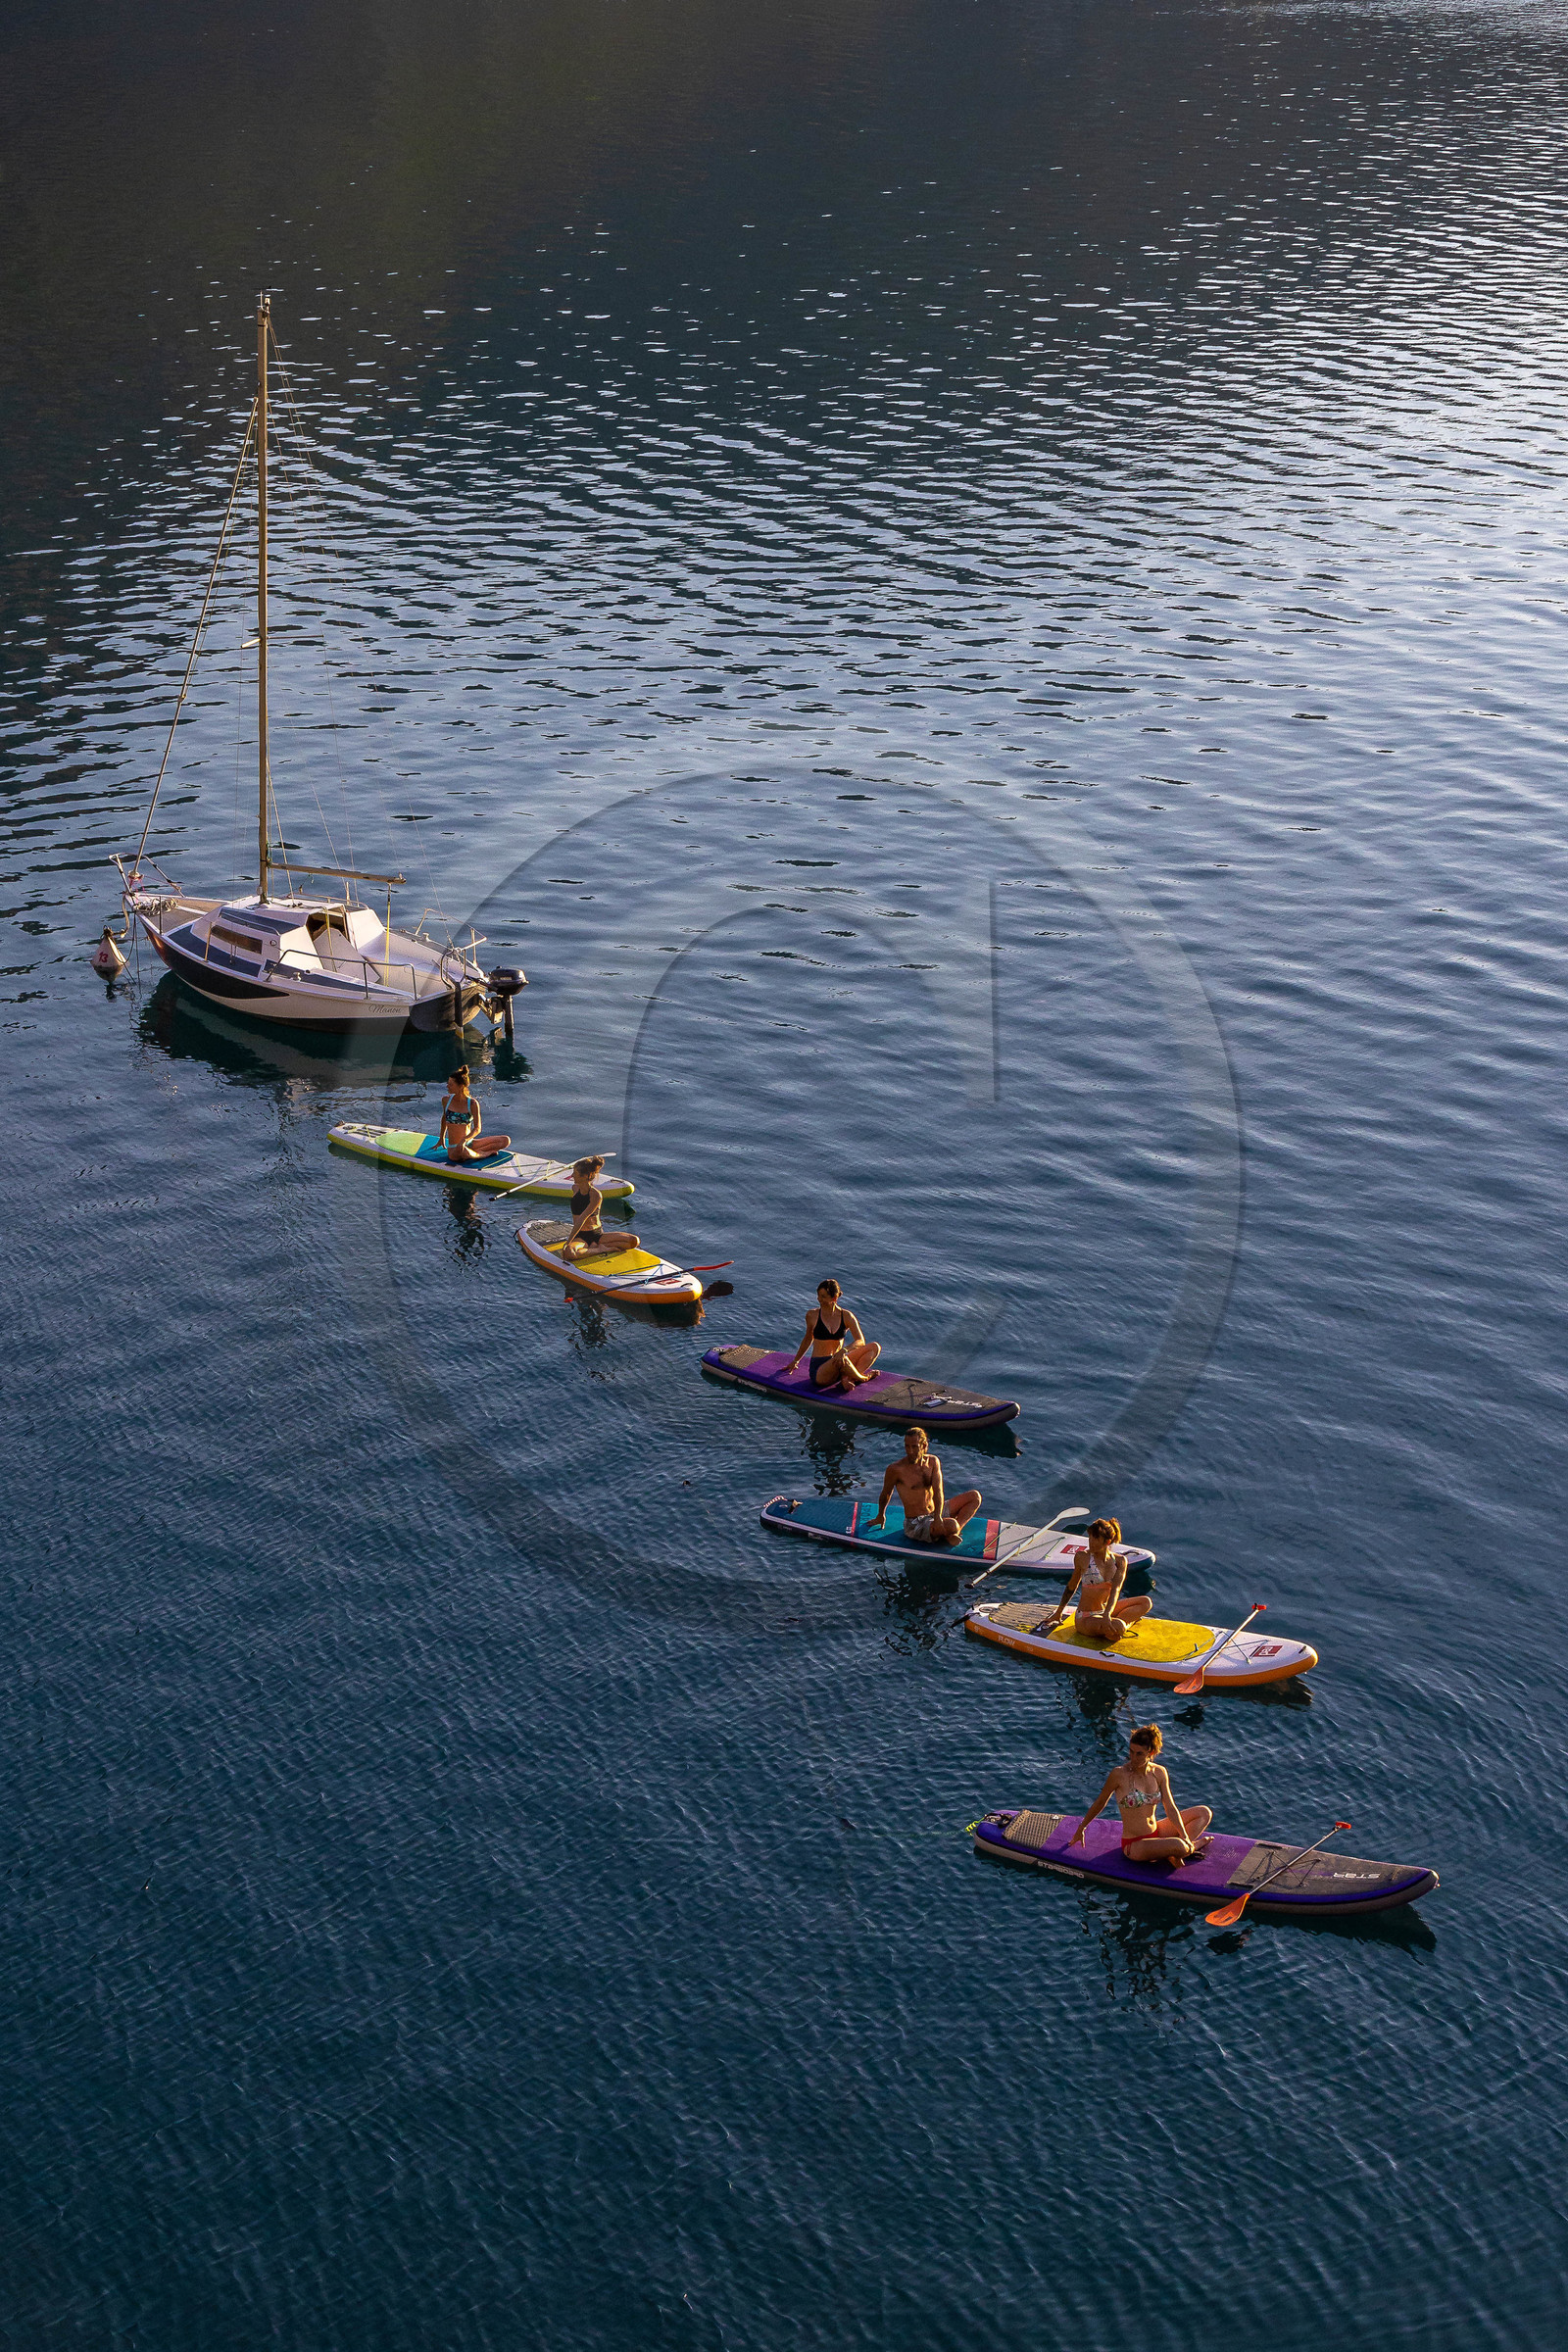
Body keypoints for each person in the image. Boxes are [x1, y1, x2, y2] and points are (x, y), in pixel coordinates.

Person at [1071, 1722, 1212, 1866]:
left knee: (1204, 1813)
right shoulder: (1119, 1774)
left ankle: (1175, 1850)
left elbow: (1170, 1807)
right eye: (1131, 1751)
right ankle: (1187, 1848)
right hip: (1135, 1845)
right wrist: (1081, 1828)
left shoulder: (1159, 1772)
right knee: (1180, 1846)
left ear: (1150, 1753)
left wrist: (1184, 1835)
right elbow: (1100, 1802)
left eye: (1139, 1754)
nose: (1133, 1757)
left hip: (1157, 1831)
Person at [866, 1424, 981, 1546]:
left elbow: (938, 1492)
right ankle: (949, 1531)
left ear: (924, 1446)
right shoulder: (895, 1469)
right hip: (916, 1523)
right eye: (907, 1446)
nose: (910, 1451)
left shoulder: (933, 1462)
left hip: (935, 1512)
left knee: (975, 1496)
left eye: (915, 1447)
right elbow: (886, 1493)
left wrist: (937, 1517)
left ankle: (953, 1533)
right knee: (952, 1525)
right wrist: (880, 1516)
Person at [1054, 1516, 1151, 1643]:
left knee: (1146, 1602)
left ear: (1108, 1542)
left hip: (1105, 1611)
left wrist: (1107, 1615)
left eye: (1096, 1538)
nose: (1091, 1542)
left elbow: (1116, 1590)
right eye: (1090, 1537)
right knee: (1120, 1626)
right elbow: (1072, 1586)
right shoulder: (1083, 1557)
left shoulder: (1120, 1562)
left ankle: (1111, 1625)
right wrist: (1058, 1612)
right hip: (1086, 1618)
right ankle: (1123, 1624)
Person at [785, 1280, 881, 1392]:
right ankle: (863, 1378)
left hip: (839, 1360)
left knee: (875, 1347)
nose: (819, 1299)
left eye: (823, 1297)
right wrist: (795, 1361)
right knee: (841, 1360)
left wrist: (844, 1350)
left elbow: (860, 1341)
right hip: (820, 1371)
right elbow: (808, 1339)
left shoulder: (846, 1316)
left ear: (834, 1298)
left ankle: (847, 1378)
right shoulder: (812, 1315)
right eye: (819, 1296)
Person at [564, 1154, 640, 1258]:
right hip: (581, 1236)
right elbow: (578, 1223)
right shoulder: (575, 1189)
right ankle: (598, 1249)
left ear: (585, 1176)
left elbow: (582, 1219)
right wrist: (571, 1242)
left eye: (575, 1173)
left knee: (634, 1241)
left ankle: (598, 1247)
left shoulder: (596, 1195)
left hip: (598, 1235)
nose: (572, 1176)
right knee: (569, 1253)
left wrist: (568, 1241)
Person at [439, 1065, 511, 1164]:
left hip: (469, 1143)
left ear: (460, 1087)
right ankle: (483, 1154)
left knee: (505, 1140)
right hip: (455, 1149)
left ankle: (474, 1153)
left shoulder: (472, 1103)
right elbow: (444, 1118)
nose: (447, 1086)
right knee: (462, 1152)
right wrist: (441, 1137)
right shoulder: (446, 1100)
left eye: (451, 1084)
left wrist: (464, 1140)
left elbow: (477, 1128)